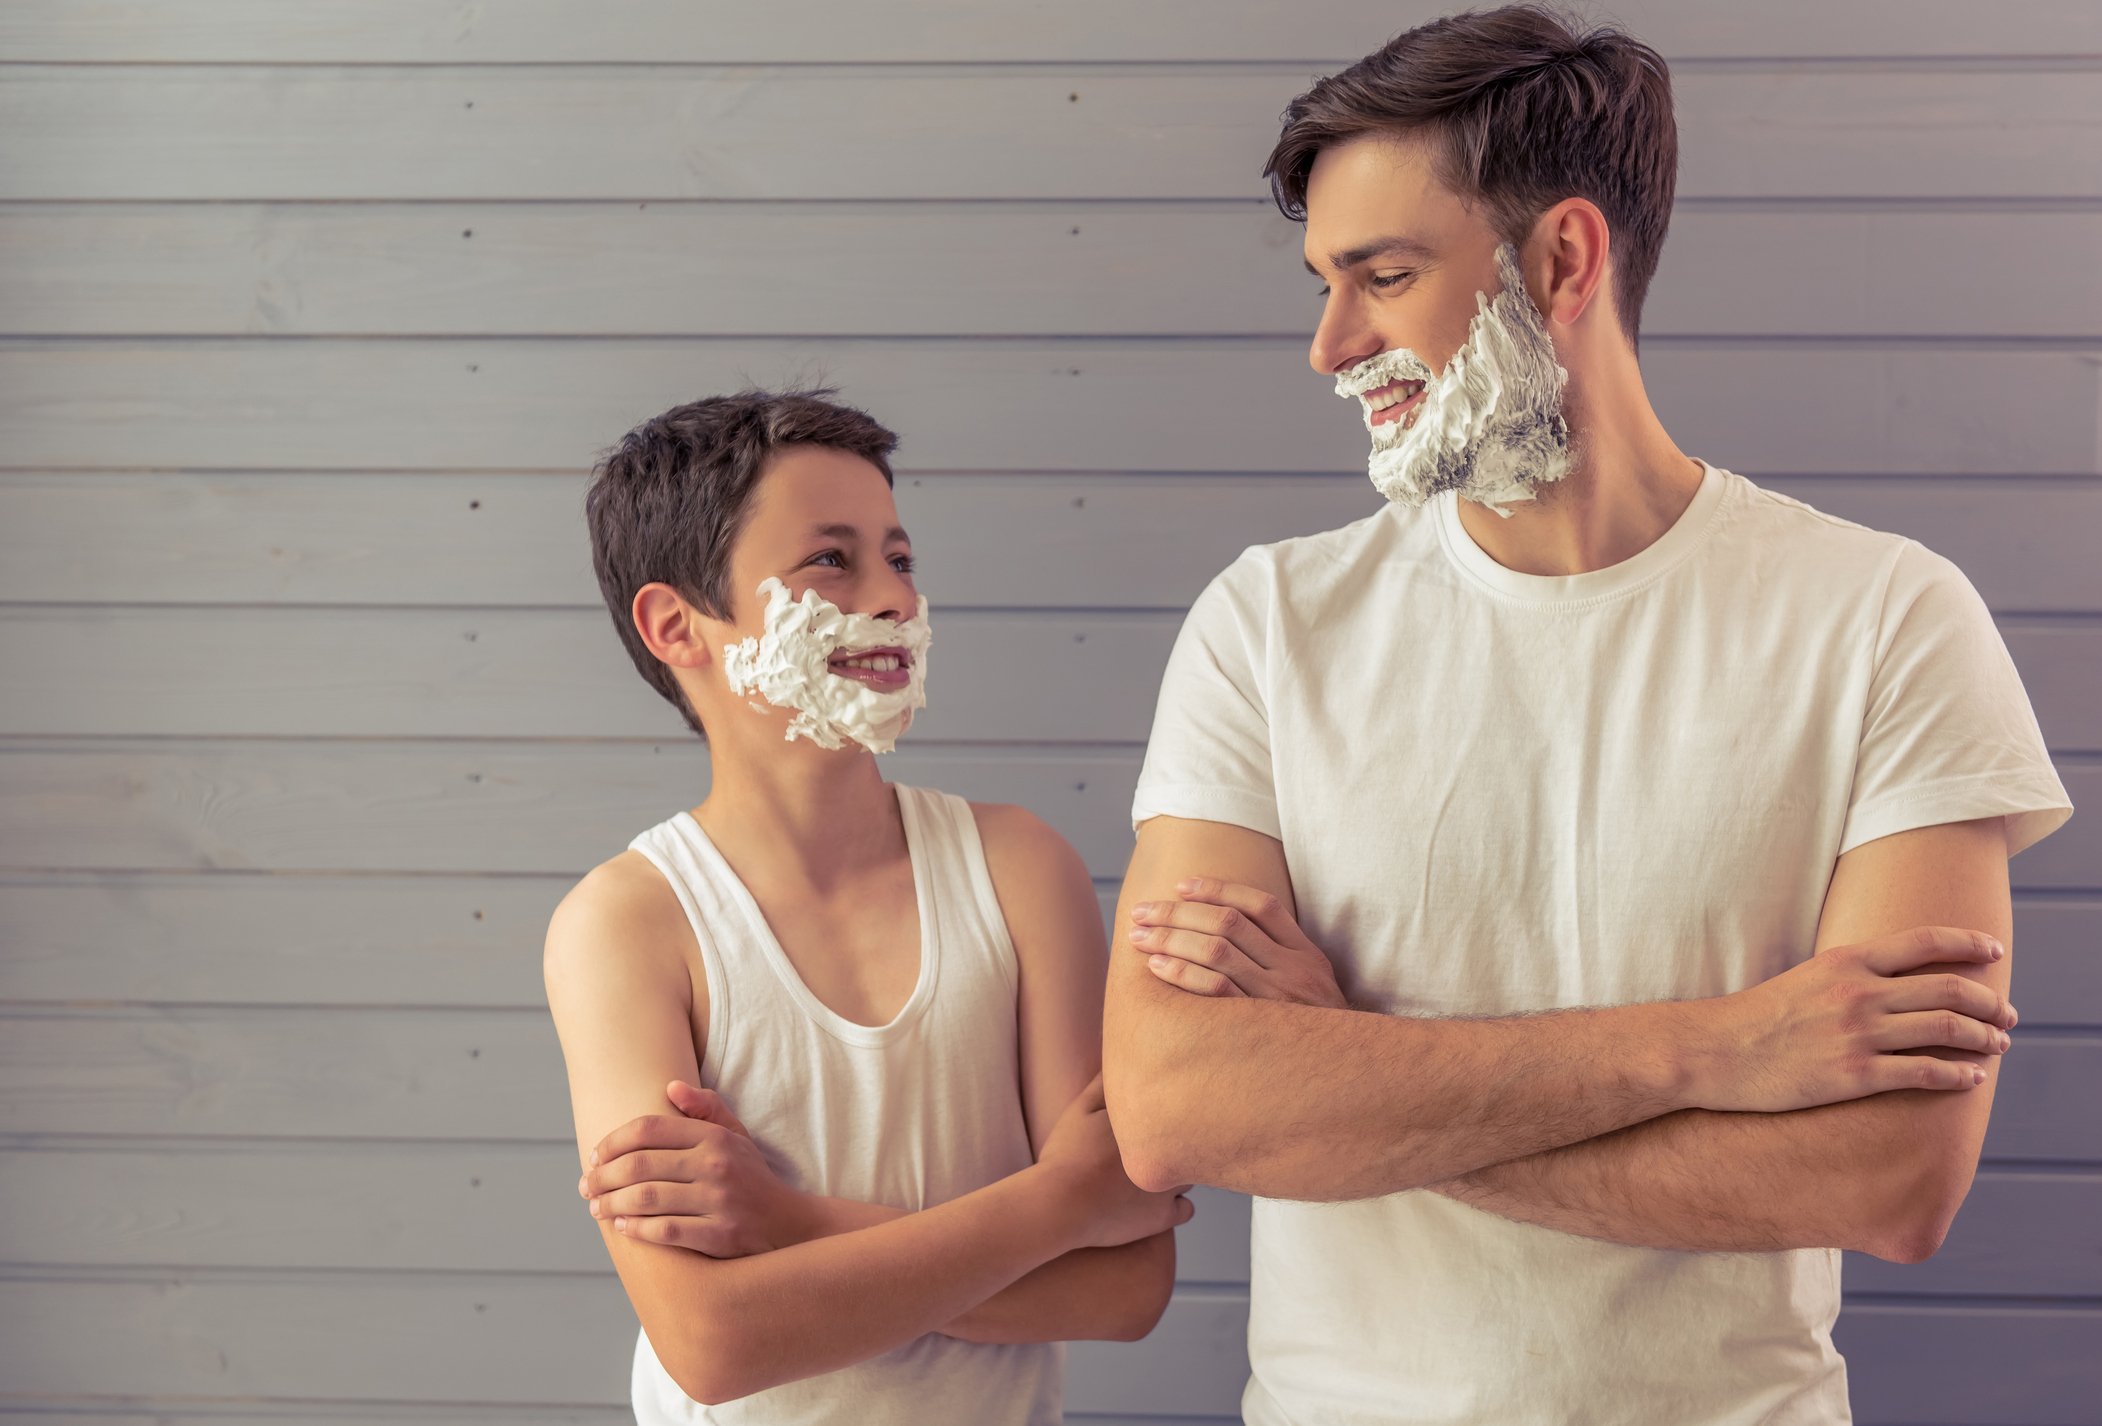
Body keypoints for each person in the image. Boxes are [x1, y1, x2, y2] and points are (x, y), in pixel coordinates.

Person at [1099, 6, 2072, 1424]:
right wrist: (1722, 1047)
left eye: (1381, 275)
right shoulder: (1263, 626)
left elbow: (1888, 1179)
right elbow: (1177, 1109)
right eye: (1324, 281)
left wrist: (1351, 1077)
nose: (1329, 346)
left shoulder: (1884, 621)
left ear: (1560, 258)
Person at [543, 387, 1188, 1425]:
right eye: (829, 561)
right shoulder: (626, 925)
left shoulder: (1019, 870)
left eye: (899, 557)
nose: (890, 597)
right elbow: (713, 1341)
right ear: (677, 626)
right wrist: (1060, 1202)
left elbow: (1123, 1287)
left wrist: (787, 1222)